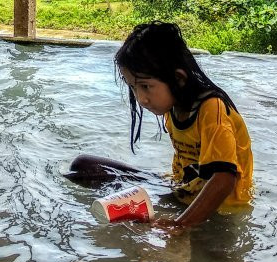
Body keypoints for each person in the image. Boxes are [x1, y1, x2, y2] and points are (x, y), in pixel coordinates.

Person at [67, 22, 254, 229]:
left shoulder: (212, 109)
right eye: (133, 87)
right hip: (181, 190)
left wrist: (179, 225)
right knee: (84, 166)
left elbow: (223, 180)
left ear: (178, 78)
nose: (141, 98)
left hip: (220, 208)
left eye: (146, 86)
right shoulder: (174, 106)